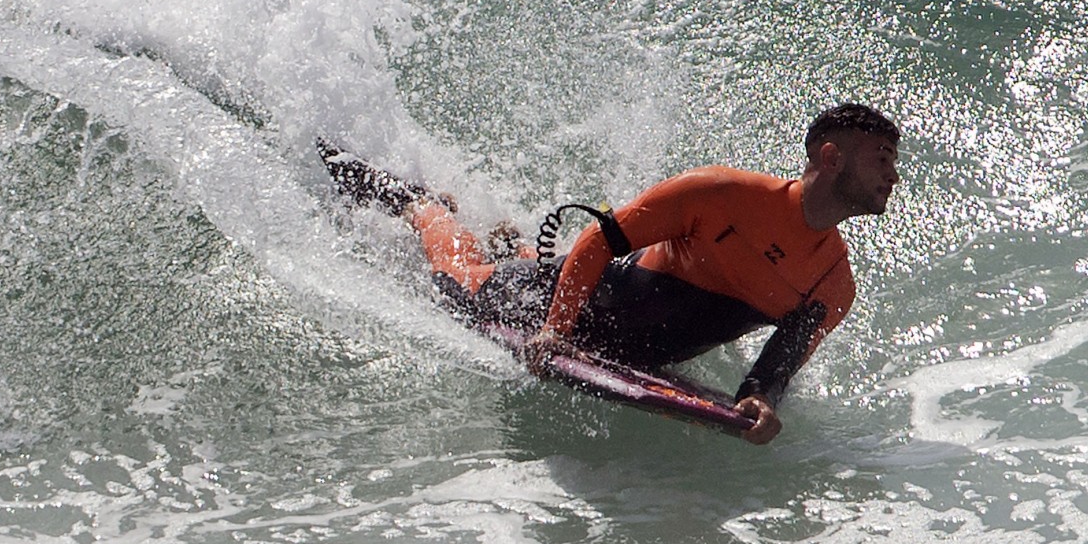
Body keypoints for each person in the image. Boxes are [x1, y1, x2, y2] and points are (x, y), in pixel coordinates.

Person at [320, 103, 900, 446]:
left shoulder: (834, 284)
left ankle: (514, 246)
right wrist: (554, 330)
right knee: (455, 283)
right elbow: (598, 240)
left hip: (633, 342)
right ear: (831, 157)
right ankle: (425, 207)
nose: (893, 175)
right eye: (881, 158)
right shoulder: (720, 193)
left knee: (495, 269)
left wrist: (760, 403)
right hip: (569, 304)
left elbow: (772, 372)